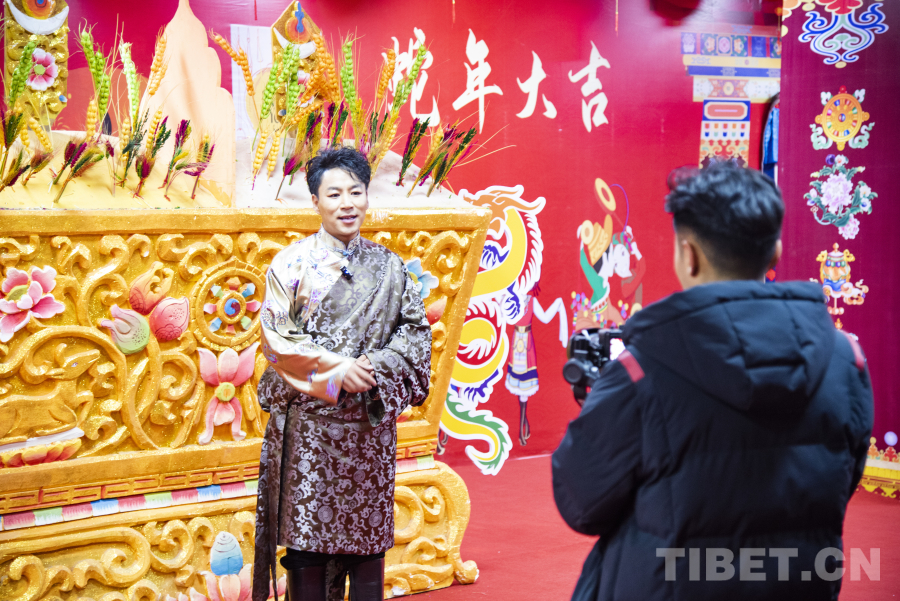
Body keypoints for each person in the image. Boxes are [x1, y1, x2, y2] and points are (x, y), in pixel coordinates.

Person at [552, 161, 873, 600]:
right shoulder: (846, 360)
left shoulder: (642, 371)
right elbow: (842, 479)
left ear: (688, 255)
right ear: (775, 253)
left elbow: (581, 503)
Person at [252, 146, 432, 601]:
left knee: (368, 549)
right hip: (310, 432)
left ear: (367, 196)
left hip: (369, 433)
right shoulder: (290, 264)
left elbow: (415, 333)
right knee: (307, 546)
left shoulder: (390, 267)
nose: (347, 203)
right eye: (334, 194)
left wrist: (377, 365)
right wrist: (336, 370)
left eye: (356, 192)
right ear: (316, 201)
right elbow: (276, 339)